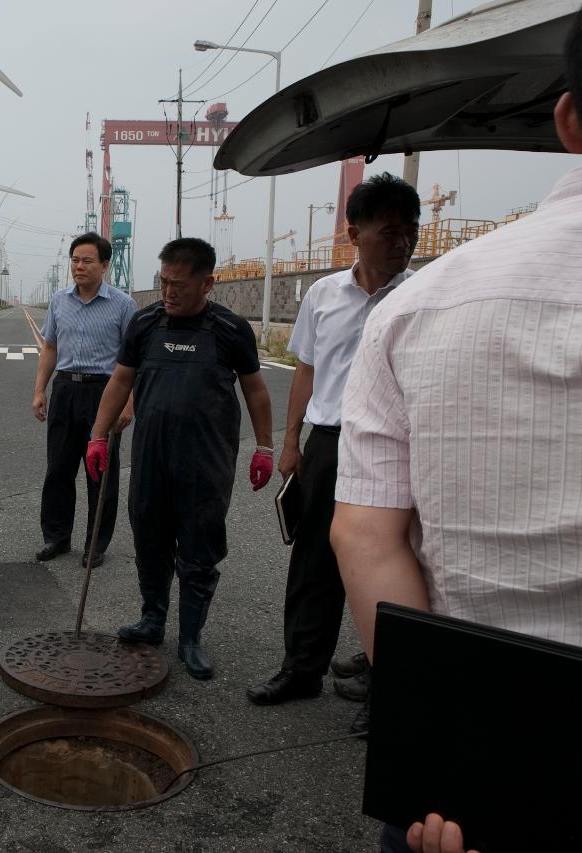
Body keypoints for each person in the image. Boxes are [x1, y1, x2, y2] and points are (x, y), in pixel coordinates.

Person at [331, 12, 582, 852]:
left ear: (568, 119)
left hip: (469, 776)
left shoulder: (419, 306)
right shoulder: (350, 300)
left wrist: (438, 745)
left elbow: (367, 536)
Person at [246, 174, 420, 715]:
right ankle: (302, 670)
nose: (403, 242)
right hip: (328, 442)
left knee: (397, 564)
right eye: (389, 231)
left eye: (411, 232)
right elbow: (307, 369)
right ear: (354, 233)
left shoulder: (421, 294)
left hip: (398, 449)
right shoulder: (323, 295)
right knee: (313, 561)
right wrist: (290, 441)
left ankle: (386, 684)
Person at [87, 237, 274, 680]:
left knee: (198, 549)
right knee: (150, 539)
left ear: (208, 283)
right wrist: (97, 435)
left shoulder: (230, 330)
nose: (169, 293)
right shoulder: (146, 324)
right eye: (164, 282)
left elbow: (255, 389)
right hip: (151, 454)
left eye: (180, 285)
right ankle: (152, 618)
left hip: (206, 460)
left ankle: (190, 636)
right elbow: (120, 380)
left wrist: (265, 447)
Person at [31, 232, 136, 568]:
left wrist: (129, 403)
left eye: (87, 260)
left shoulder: (123, 305)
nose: (79, 266)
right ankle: (57, 537)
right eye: (75, 260)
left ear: (104, 265)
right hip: (65, 389)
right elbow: (50, 348)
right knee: (58, 469)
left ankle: (95, 544)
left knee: (100, 472)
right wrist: (39, 391)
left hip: (104, 393)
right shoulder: (60, 301)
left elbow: (134, 360)